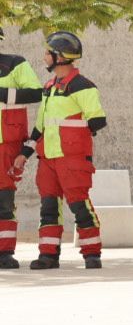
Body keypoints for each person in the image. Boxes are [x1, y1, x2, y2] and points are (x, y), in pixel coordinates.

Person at [9, 31, 106, 269]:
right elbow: (40, 128)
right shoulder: (49, 87)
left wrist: (75, 140)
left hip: (72, 160)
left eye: (47, 53)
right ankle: (48, 255)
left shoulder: (82, 86)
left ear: (60, 57)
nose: (44, 57)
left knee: (79, 205)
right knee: (49, 208)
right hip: (49, 159)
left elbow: (98, 121)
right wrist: (25, 153)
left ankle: (91, 254)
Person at [0, 29, 45, 269]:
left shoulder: (14, 63)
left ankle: (4, 252)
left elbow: (36, 92)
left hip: (6, 145)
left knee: (4, 198)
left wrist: (3, 94)